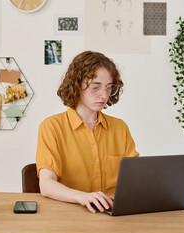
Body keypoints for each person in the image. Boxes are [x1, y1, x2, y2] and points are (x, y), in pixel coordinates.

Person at [36, 51, 139, 213]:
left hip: (114, 214)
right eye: (95, 87)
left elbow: (136, 178)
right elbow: (46, 184)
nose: (104, 95)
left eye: (109, 87)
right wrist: (83, 197)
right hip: (70, 214)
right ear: (76, 85)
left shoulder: (120, 128)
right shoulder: (52, 127)